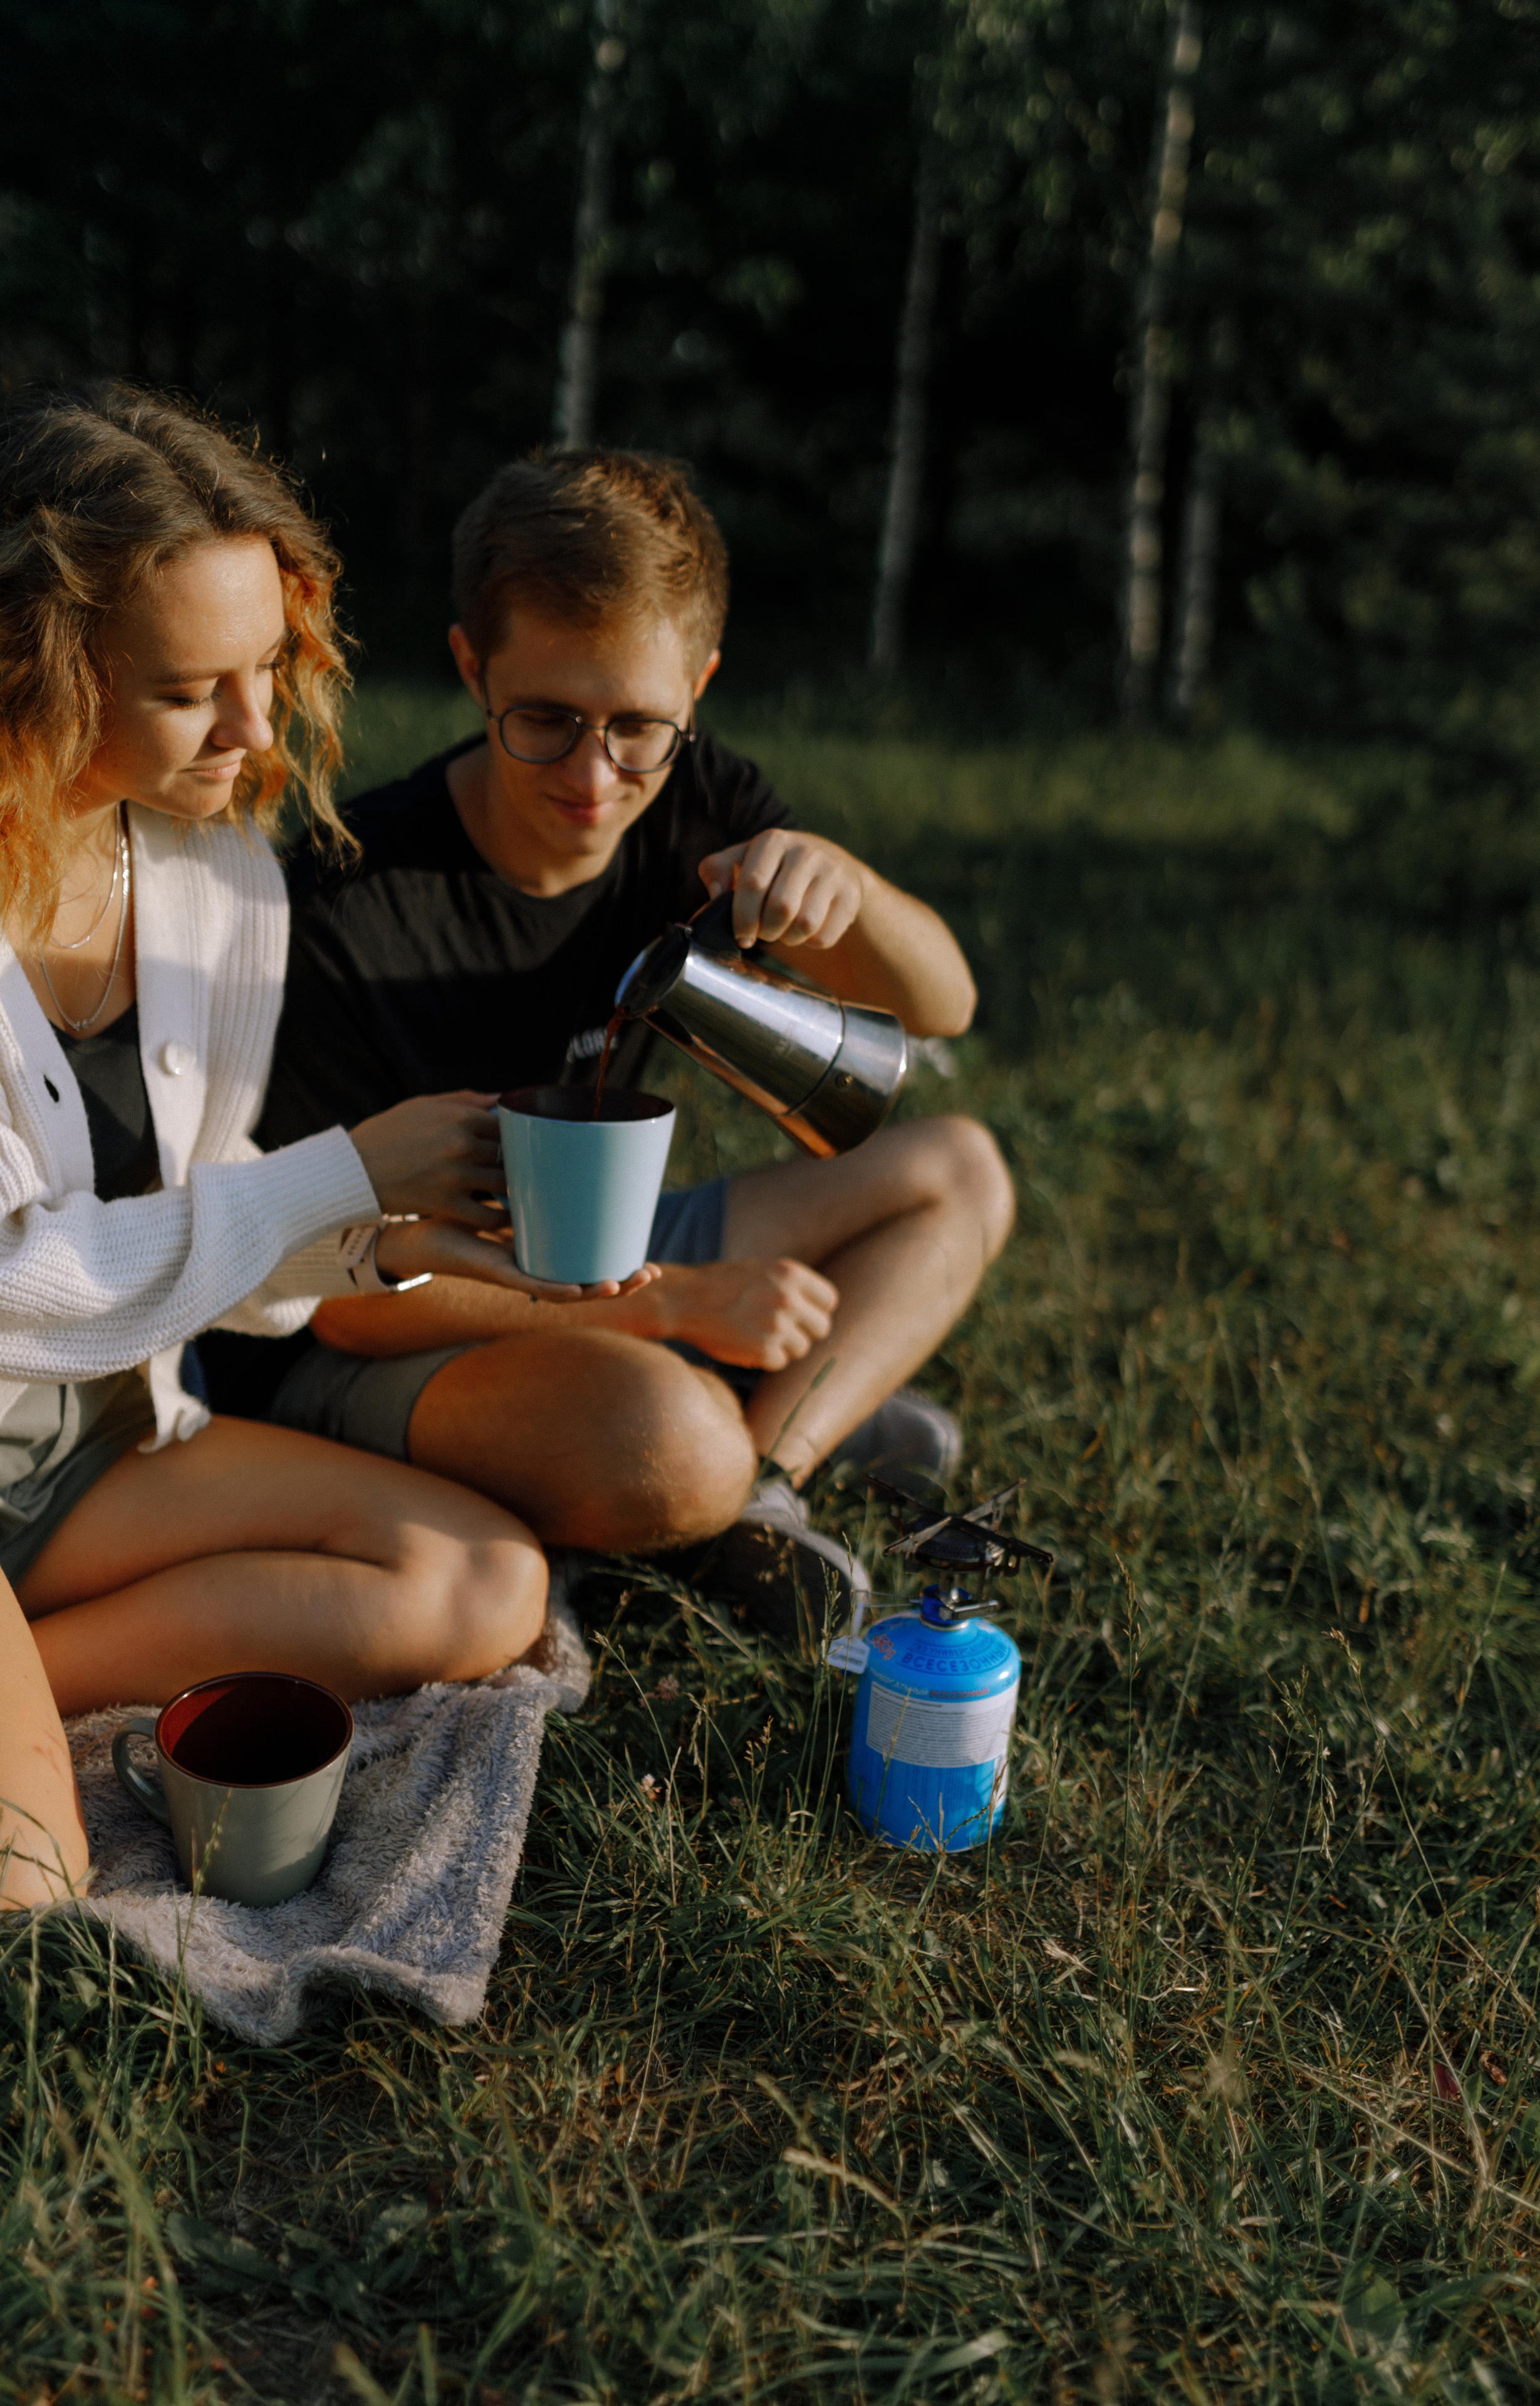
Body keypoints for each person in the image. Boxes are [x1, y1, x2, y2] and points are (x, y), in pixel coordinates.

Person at [202, 449, 1015, 1628]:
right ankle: (726, 1443)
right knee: (668, 1438)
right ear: (471, 668)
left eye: (640, 725)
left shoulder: (688, 798)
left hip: (601, 1249)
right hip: (384, 1332)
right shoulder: (342, 910)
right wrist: (676, 1306)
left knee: (961, 1172)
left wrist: (850, 888)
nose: (594, 777)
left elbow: (943, 1005)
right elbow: (341, 1302)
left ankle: (764, 1488)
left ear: (702, 683)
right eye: (545, 719)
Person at [0, 385, 603, 1905]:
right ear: (40, 673)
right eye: (191, 687)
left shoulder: (219, 882)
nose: (257, 730)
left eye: (268, 666)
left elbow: (218, 1252)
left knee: (487, 1580)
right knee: (32, 1893)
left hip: (93, 1458)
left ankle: (30, 1676)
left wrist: (392, 1242)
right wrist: (342, 1171)